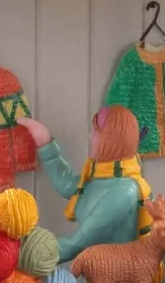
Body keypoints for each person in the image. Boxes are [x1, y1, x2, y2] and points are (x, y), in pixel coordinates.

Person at [18, 106, 154, 264]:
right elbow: (68, 185)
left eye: (95, 133)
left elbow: (83, 239)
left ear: (109, 140)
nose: (90, 137)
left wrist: (30, 256)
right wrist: (45, 143)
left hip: (113, 275)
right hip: (91, 269)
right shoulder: (100, 177)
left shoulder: (124, 191)